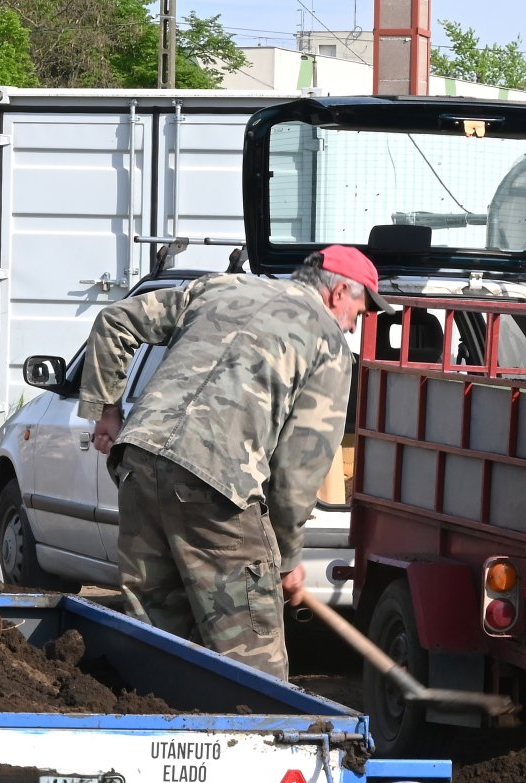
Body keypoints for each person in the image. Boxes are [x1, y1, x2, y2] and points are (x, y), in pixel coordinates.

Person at [78, 246, 390, 679]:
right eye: (362, 309)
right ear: (339, 292)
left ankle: (149, 733)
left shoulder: (221, 288)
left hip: (139, 460)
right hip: (218, 487)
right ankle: (256, 740)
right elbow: (299, 472)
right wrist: (285, 558)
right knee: (253, 663)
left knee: (152, 639)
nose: (359, 323)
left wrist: (108, 409)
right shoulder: (327, 343)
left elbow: (114, 320)